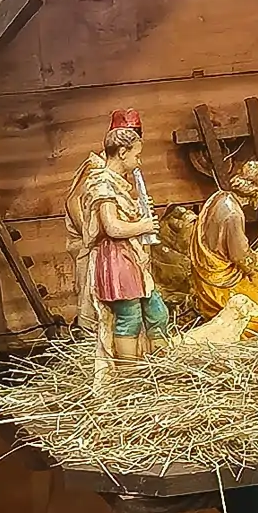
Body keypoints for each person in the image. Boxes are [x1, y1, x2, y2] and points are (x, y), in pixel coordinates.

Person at [66, 119, 167, 370]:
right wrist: (144, 225)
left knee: (157, 311)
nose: (138, 162)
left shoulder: (117, 183)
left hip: (130, 256)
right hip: (116, 259)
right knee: (129, 317)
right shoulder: (103, 185)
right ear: (122, 153)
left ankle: (162, 366)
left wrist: (139, 212)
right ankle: (129, 374)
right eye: (136, 156)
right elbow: (112, 227)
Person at [190, 160, 258, 335]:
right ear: (256, 191)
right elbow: (240, 257)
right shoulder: (233, 215)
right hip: (218, 282)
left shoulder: (220, 197)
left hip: (209, 270)